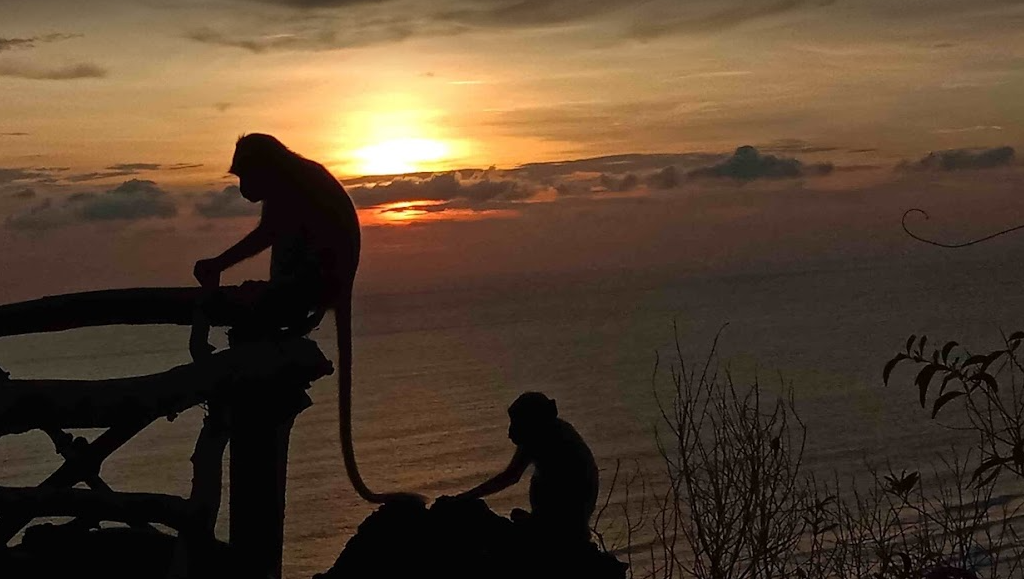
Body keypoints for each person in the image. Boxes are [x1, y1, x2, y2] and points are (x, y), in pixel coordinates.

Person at [453, 392, 599, 544]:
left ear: (531, 421)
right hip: (574, 517)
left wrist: (465, 497)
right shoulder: (557, 430)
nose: (510, 433)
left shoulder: (543, 438)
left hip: (564, 516)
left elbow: (510, 477)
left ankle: (541, 525)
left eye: (516, 423)